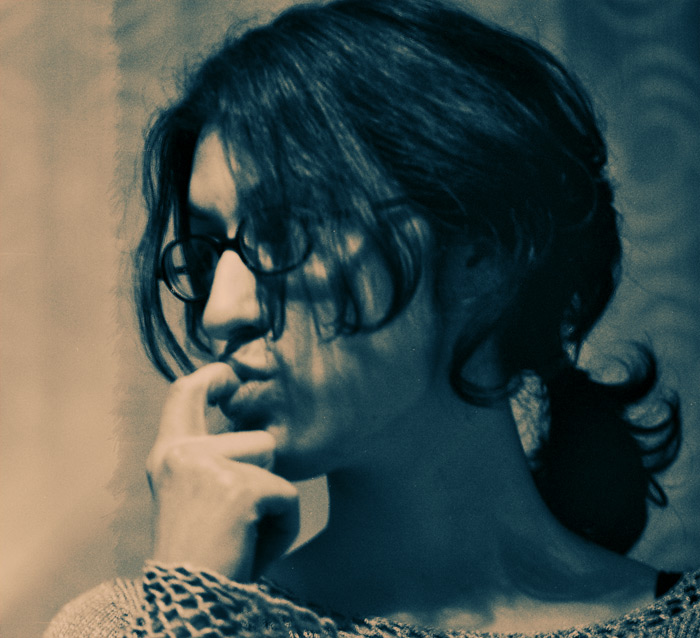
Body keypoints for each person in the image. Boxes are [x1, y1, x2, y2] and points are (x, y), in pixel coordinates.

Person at [46, 0, 698, 636]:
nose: (221, 313)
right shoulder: (123, 627)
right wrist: (193, 612)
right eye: (211, 250)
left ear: (480, 253)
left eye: (289, 230)